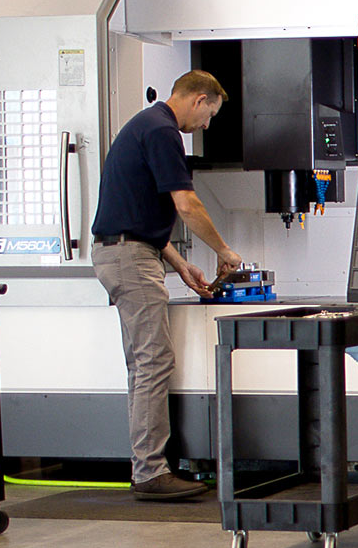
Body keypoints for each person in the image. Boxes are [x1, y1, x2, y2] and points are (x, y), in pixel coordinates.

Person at [91, 70, 244, 500]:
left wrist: (179, 264)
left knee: (144, 364)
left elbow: (137, 217)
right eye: (209, 115)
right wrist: (224, 250)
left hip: (129, 252)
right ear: (198, 99)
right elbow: (187, 204)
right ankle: (150, 471)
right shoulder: (163, 132)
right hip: (128, 258)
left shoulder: (146, 125)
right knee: (153, 361)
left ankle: (148, 466)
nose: (206, 125)